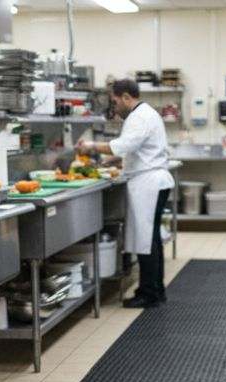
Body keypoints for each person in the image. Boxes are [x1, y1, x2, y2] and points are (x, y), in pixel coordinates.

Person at [77, 79, 175, 309]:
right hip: (150, 180)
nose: (115, 106)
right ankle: (155, 291)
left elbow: (124, 145)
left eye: (115, 101)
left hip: (148, 183)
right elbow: (132, 148)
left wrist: (90, 146)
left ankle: (149, 294)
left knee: (146, 241)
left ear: (126, 97)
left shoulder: (139, 116)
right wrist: (110, 159)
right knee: (151, 241)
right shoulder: (144, 114)